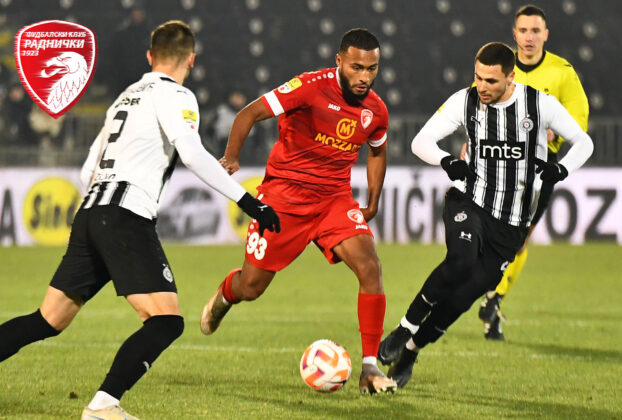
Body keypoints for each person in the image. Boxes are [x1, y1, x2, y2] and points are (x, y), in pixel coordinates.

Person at [0, 20, 279, 420]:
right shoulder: (176, 94)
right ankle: (103, 405)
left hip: (92, 211)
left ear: (150, 56)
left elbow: (87, 170)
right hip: (125, 216)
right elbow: (191, 152)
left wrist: (102, 214)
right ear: (191, 59)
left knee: (48, 319)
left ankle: (104, 405)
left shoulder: (124, 98)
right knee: (166, 321)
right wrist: (249, 202)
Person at [377, 42, 593, 388]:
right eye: (478, 77)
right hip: (470, 202)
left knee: (463, 297)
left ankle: (412, 352)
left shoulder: (539, 104)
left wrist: (561, 170)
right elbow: (421, 142)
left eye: (491, 80)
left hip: (511, 225)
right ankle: (405, 328)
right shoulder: (464, 101)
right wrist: (447, 160)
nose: (482, 86)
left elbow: (584, 143)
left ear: (510, 78)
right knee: (461, 260)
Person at [199, 28, 398, 395]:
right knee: (251, 287)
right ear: (339, 61)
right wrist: (231, 157)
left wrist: (372, 201)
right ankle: (227, 294)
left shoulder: (376, 110)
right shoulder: (309, 87)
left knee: (370, 267)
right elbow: (248, 113)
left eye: (372, 69)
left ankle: (370, 368)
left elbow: (377, 150)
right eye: (356, 68)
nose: (364, 77)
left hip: (334, 200)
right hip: (284, 198)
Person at [476, 4, 590, 340]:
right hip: (496, 164)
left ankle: (494, 298)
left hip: (537, 170)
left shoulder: (561, 72)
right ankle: (489, 296)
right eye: (523, 30)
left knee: (519, 240)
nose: (529, 37)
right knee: (486, 237)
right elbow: (477, 104)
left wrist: (556, 131)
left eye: (535, 31)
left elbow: (579, 119)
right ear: (514, 34)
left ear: (546, 35)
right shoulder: (498, 66)